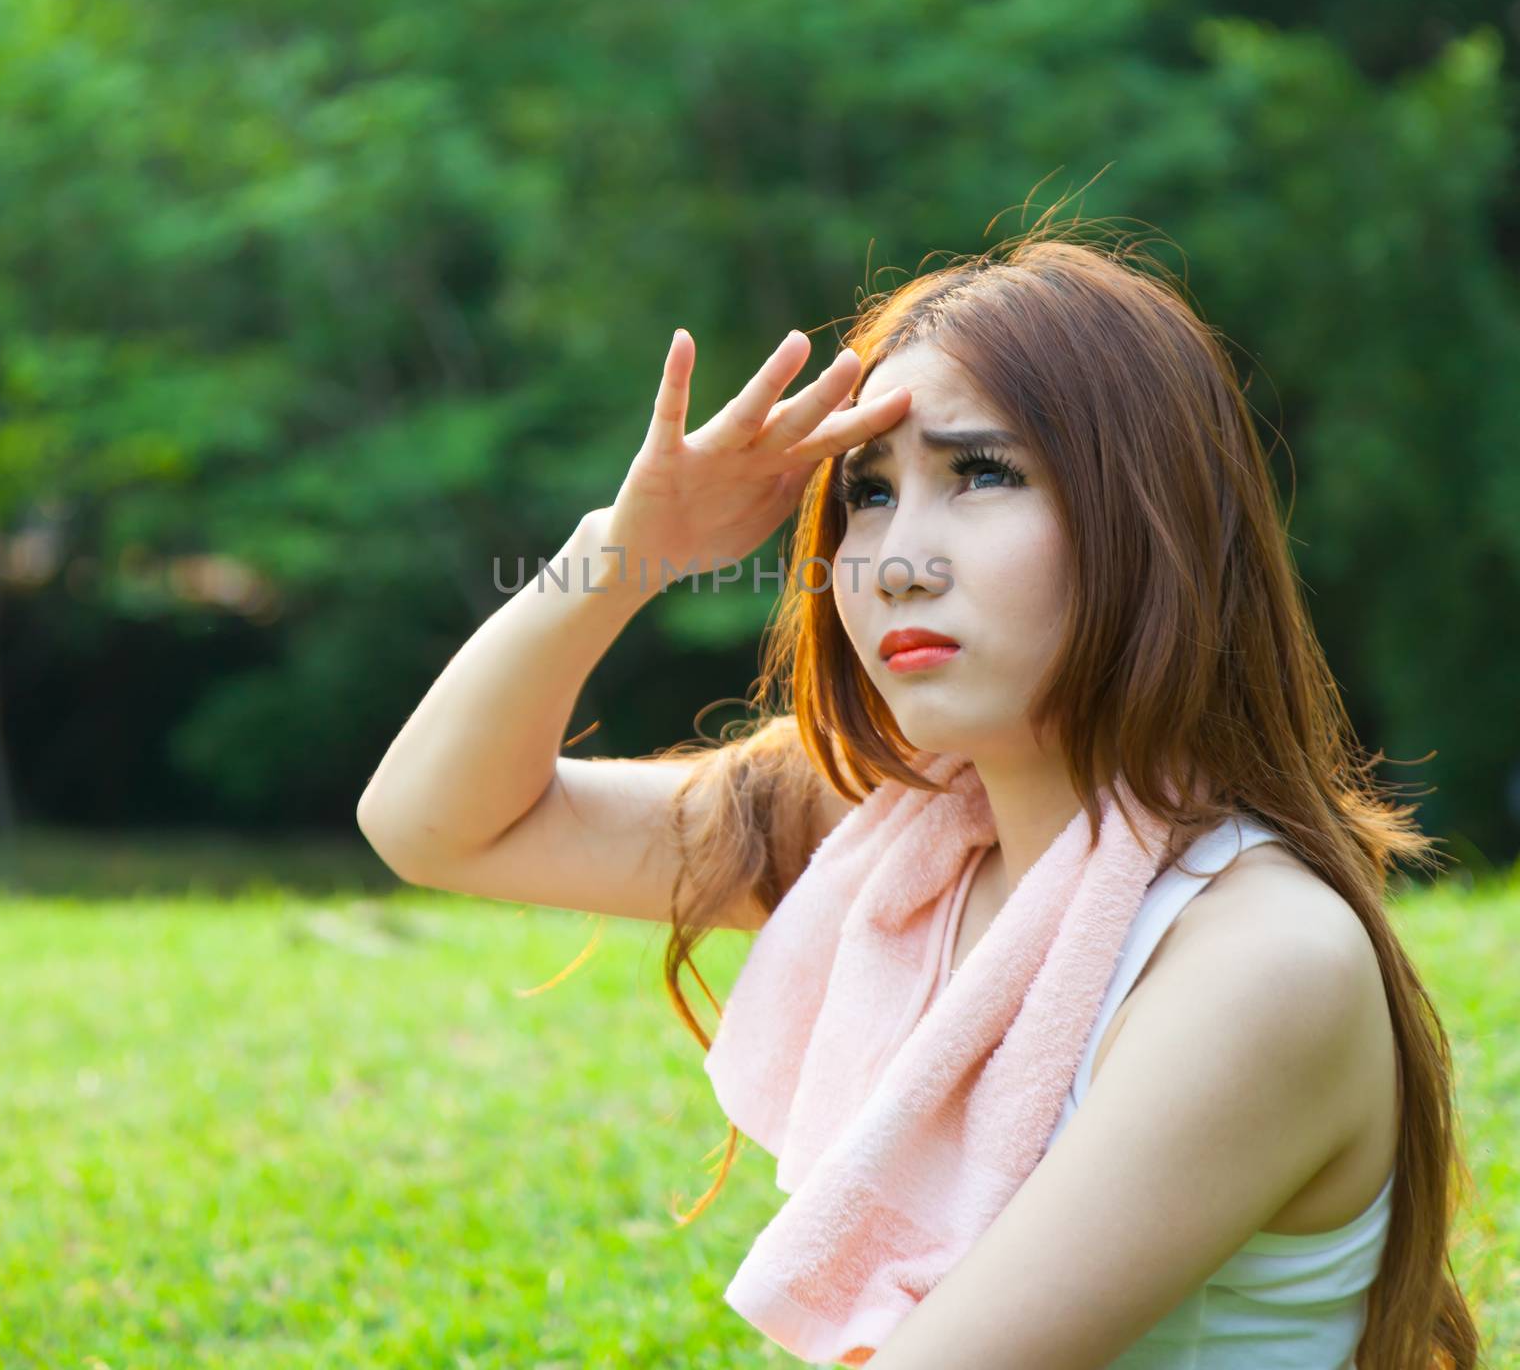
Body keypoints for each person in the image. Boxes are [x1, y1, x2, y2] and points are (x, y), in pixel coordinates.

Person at [355, 226, 1481, 1369]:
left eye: (980, 473)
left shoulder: (1259, 958)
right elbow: (434, 823)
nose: (896, 558)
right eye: (869, 493)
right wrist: (625, 550)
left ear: (1149, 517)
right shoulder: (895, 832)